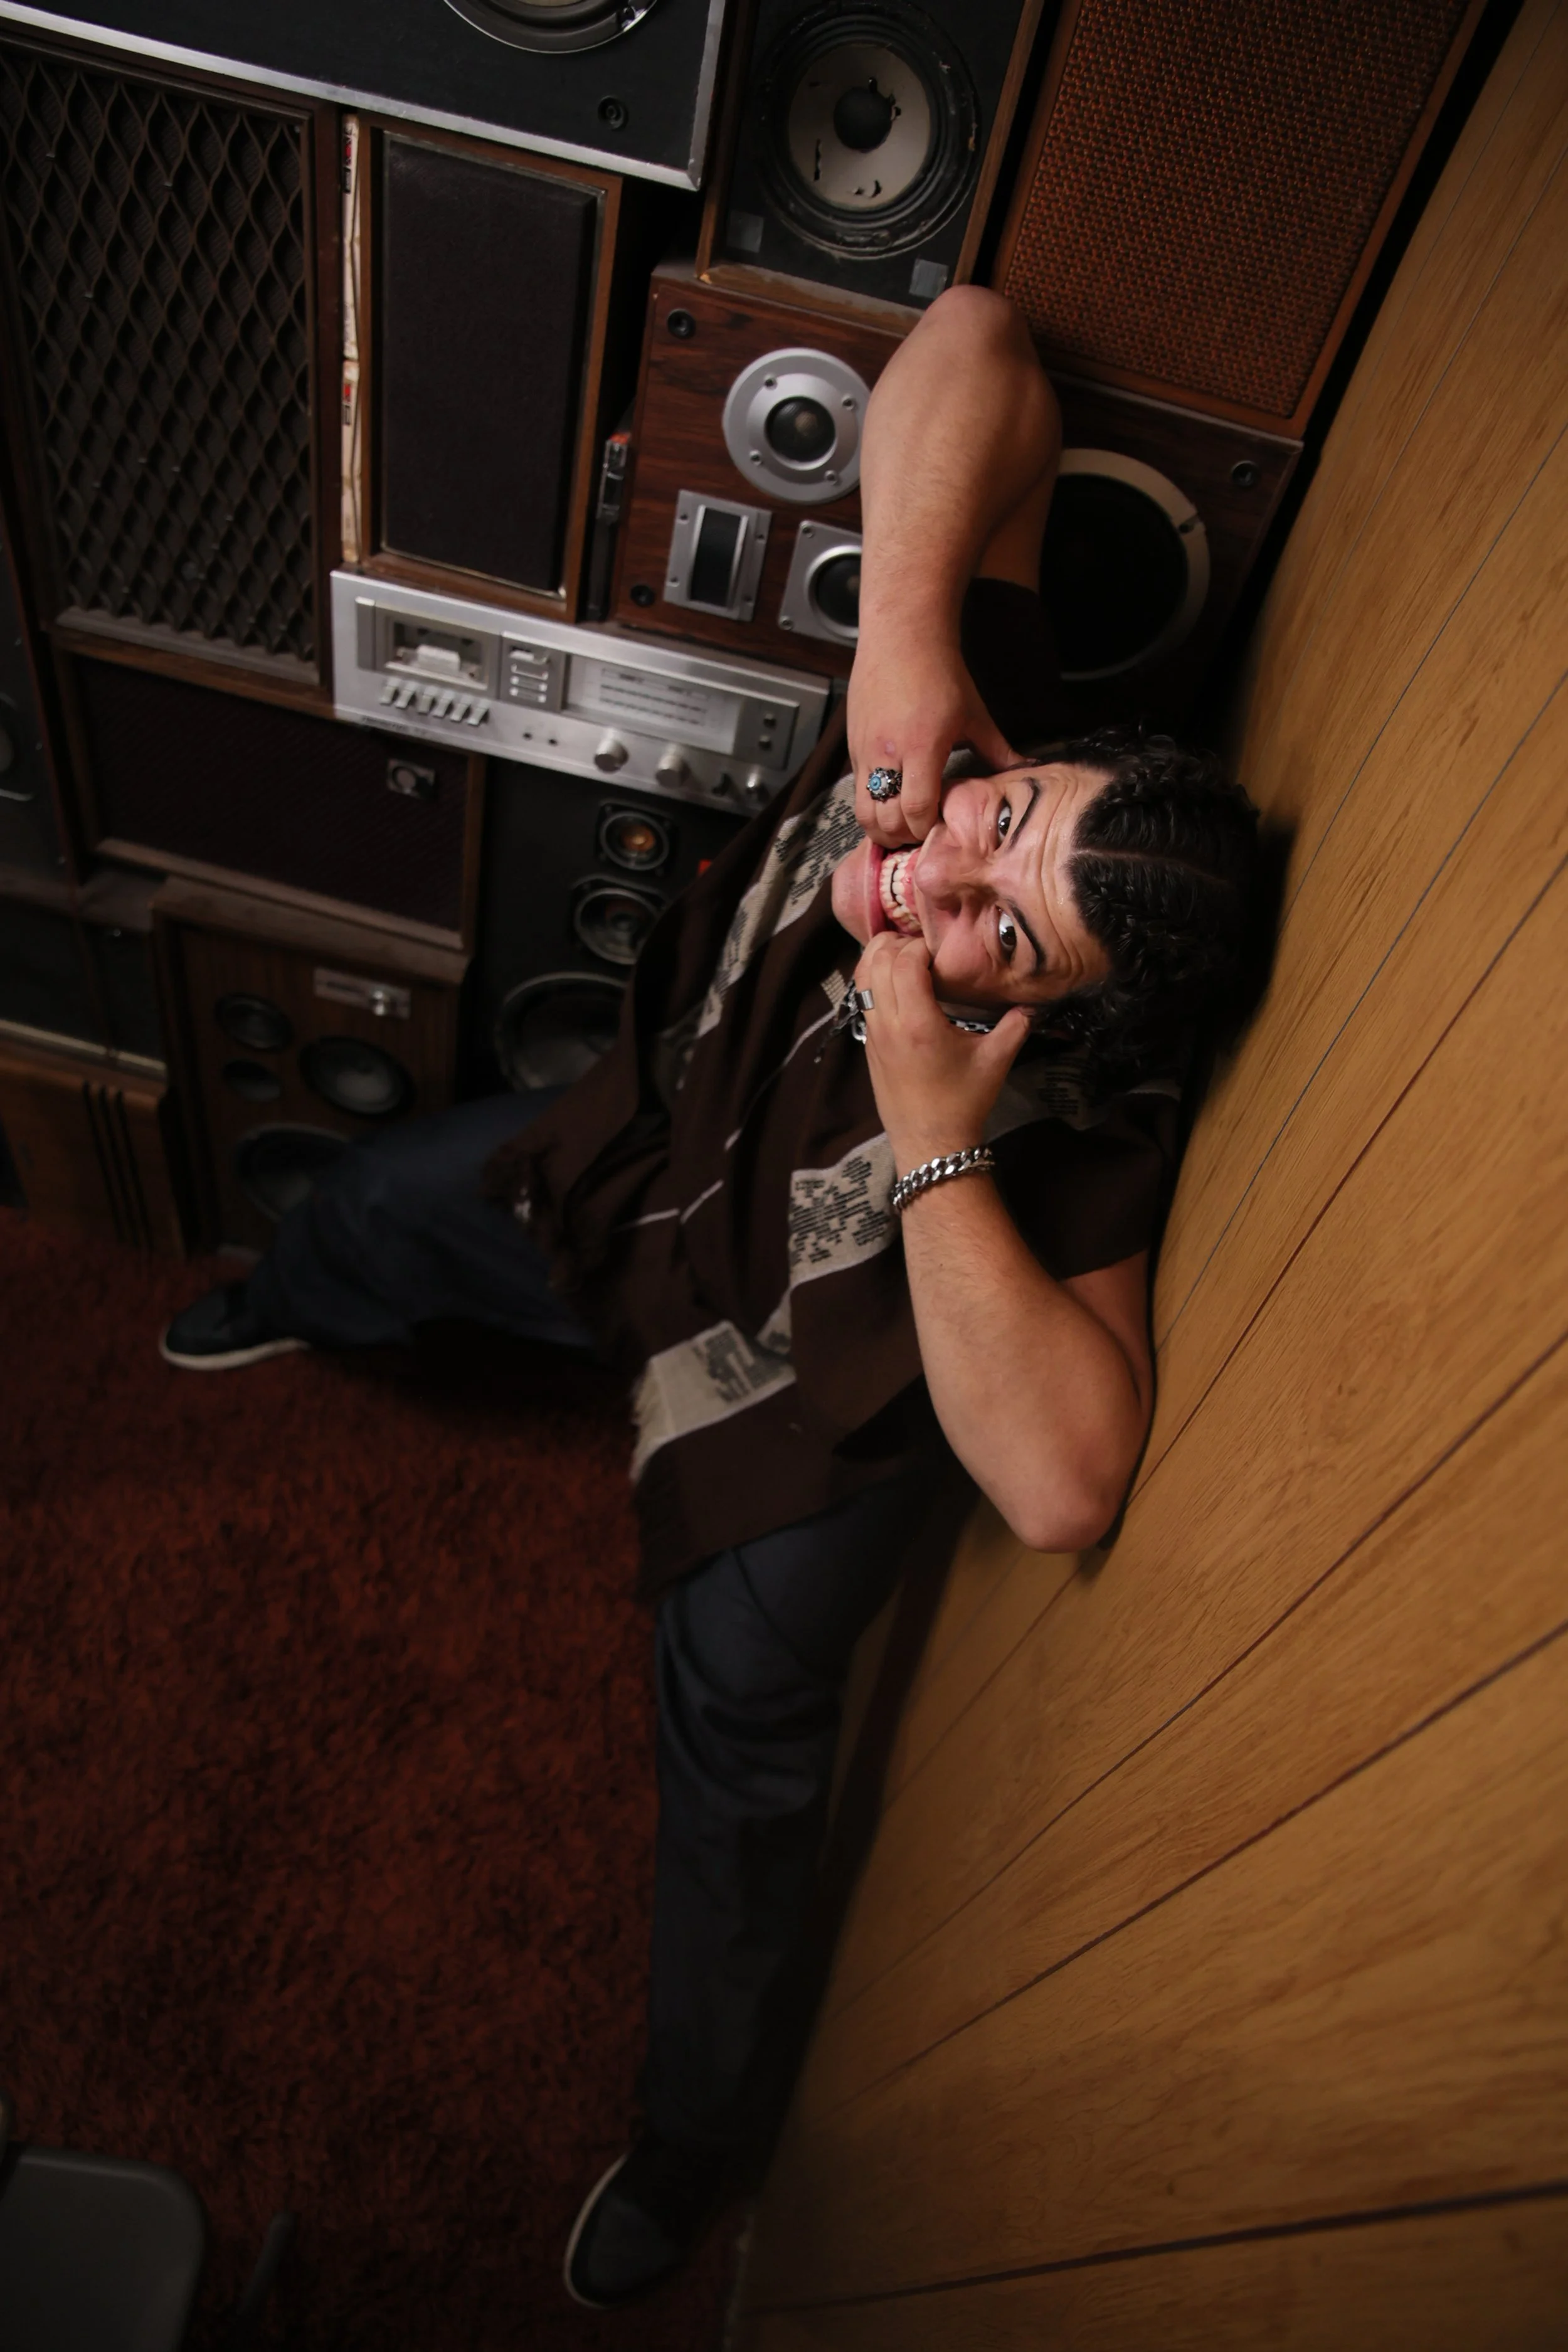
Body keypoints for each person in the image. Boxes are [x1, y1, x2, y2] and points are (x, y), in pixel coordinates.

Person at [159, 288, 1260, 2309]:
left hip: (797, 1405)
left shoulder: (1089, 1120)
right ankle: (298, 1297)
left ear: (1061, 1032)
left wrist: (937, 1130)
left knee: (737, 1765)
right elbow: (979, 340)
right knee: (388, 1200)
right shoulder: (971, 730)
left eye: (1002, 939)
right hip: (652, 1165)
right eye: (1003, 828)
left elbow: (1065, 1479)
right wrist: (909, 623)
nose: (941, 879)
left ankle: (693, 2143)